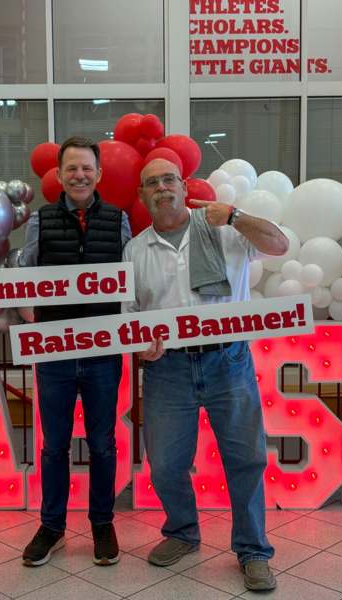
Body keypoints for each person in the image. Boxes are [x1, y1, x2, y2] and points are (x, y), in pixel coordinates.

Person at [122, 158, 289, 591]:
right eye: (151, 183)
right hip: (167, 369)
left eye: (168, 179)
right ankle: (182, 532)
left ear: (183, 185)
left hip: (228, 360)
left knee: (246, 460)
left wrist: (234, 215)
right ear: (143, 196)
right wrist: (139, 343)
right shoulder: (136, 249)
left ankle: (253, 551)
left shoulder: (222, 228)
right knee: (165, 465)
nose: (161, 188)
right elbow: (129, 312)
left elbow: (279, 244)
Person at [18, 136, 132, 567]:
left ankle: (102, 523)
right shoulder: (40, 221)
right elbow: (24, 277)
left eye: (86, 168)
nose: (79, 175)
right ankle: (52, 526)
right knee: (54, 446)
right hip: (56, 352)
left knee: (103, 443)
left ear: (99, 173)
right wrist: (30, 315)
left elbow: (129, 280)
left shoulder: (118, 219)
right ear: (59, 175)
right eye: (71, 169)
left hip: (104, 351)